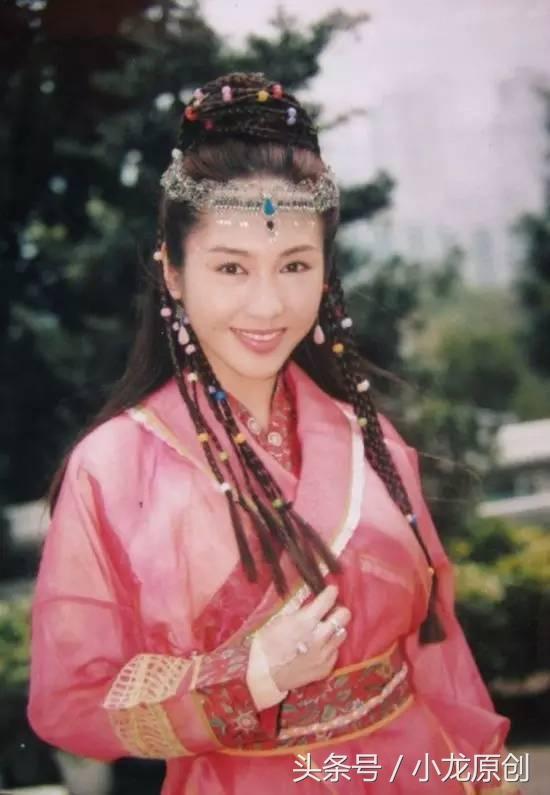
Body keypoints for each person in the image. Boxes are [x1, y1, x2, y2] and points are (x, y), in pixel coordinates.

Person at [27, 72, 519, 794]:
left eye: (294, 265)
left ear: (325, 273)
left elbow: (439, 659)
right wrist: (245, 677)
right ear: (173, 272)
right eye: (231, 267)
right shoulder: (114, 465)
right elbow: (69, 700)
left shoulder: (369, 437)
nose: (267, 304)